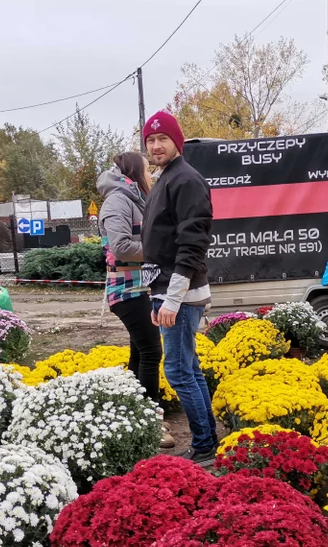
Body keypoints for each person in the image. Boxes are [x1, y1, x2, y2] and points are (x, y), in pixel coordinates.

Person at [141, 111, 217, 465]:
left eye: (162, 139)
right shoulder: (167, 178)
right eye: (150, 141)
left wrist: (170, 299)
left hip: (181, 294)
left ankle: (203, 446)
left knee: (179, 371)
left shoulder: (185, 180)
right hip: (169, 291)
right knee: (189, 368)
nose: (156, 146)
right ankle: (207, 441)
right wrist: (156, 296)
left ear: (177, 142)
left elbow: (192, 244)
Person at [98, 152, 175, 449]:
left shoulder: (131, 198)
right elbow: (119, 247)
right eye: (147, 169)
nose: (151, 174)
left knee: (139, 354)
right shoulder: (118, 200)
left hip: (139, 288)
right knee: (151, 351)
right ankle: (150, 423)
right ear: (133, 172)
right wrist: (159, 248)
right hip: (127, 291)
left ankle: (134, 414)